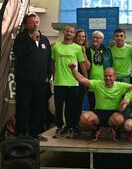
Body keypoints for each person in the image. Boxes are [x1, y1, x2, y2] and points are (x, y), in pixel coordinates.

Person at [13, 12, 52, 141]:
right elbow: (19, 53)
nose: (35, 24)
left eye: (36, 22)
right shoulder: (21, 38)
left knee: (38, 106)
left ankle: (36, 133)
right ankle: (22, 133)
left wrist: (48, 74)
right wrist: (32, 41)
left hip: (41, 80)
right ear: (26, 24)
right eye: (32, 22)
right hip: (25, 80)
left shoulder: (44, 39)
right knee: (24, 106)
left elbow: (48, 59)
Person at [69, 66, 129, 141]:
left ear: (115, 76)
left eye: (110, 76)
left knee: (120, 120)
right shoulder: (97, 84)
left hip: (113, 114)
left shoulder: (121, 86)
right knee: (83, 118)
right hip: (98, 113)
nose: (107, 78)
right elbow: (81, 79)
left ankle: (115, 129)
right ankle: (96, 128)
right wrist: (72, 69)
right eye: (105, 76)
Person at [51, 25, 87, 138]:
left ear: (73, 34)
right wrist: (53, 77)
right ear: (64, 32)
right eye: (67, 31)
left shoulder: (77, 48)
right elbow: (52, 64)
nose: (69, 33)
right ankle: (59, 127)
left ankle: (71, 127)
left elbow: (83, 66)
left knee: (71, 107)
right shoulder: (55, 47)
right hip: (59, 83)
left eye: (71, 32)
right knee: (58, 107)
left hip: (73, 83)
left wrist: (85, 81)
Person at [86, 30, 112, 110]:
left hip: (104, 83)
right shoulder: (87, 51)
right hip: (91, 83)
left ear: (102, 40)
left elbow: (111, 65)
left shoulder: (107, 51)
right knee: (92, 105)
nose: (95, 39)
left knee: (103, 106)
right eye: (94, 37)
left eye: (98, 38)